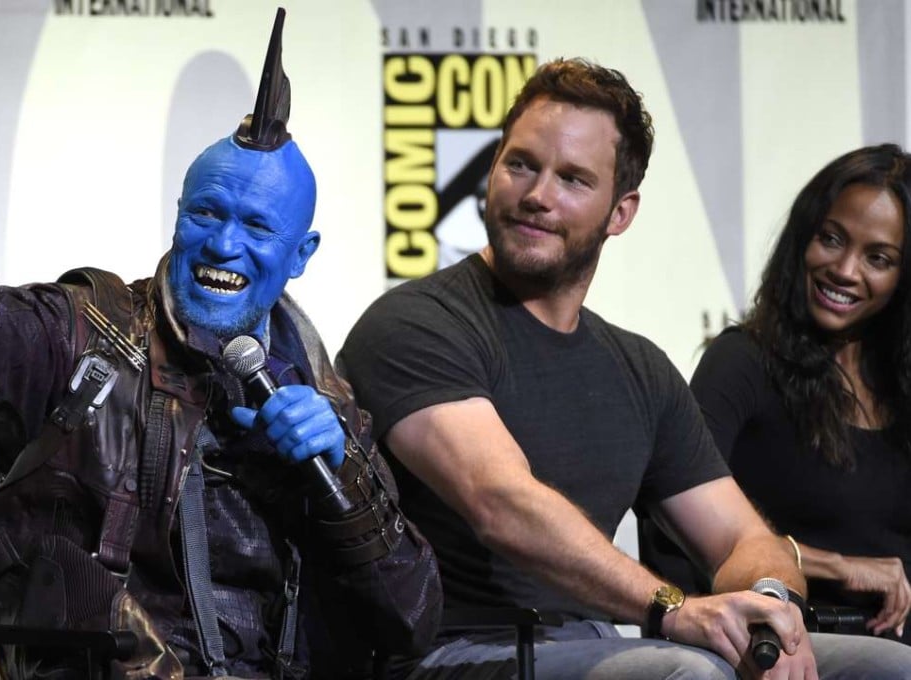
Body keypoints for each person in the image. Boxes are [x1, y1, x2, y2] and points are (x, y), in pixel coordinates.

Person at [0, 10, 441, 680]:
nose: (224, 244)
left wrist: (344, 475)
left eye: (257, 225)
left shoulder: (324, 402)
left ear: (301, 254)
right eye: (207, 212)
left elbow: (411, 620)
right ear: (179, 213)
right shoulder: (88, 332)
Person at [337, 57, 911, 678]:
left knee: (885, 666)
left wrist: (767, 607)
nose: (536, 195)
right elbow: (501, 502)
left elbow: (746, 541)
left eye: (574, 180)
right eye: (521, 164)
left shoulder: (638, 368)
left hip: (596, 643)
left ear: (621, 212)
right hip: (450, 649)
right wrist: (671, 607)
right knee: (688, 674)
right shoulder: (416, 322)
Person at [688, 144, 911, 645]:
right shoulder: (742, 362)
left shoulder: (900, 388)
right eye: (831, 239)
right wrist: (836, 567)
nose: (846, 270)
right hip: (787, 646)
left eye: (878, 258)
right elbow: (672, 530)